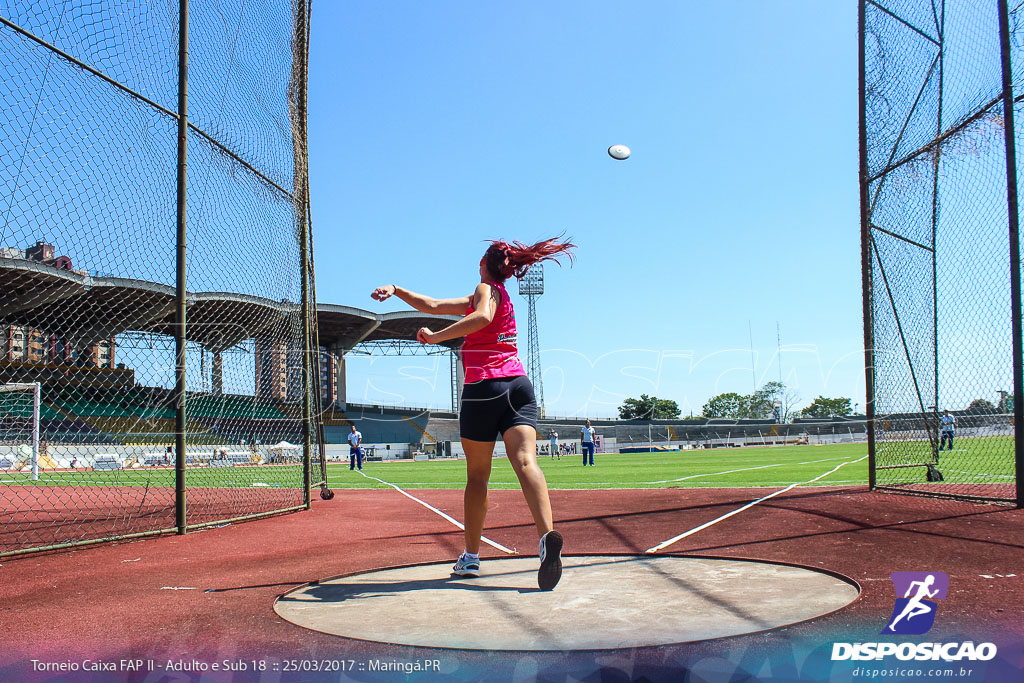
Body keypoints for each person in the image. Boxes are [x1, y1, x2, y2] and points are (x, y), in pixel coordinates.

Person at [371, 236, 574, 591]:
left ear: (485, 263)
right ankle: (546, 539)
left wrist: (436, 338)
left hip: (484, 389)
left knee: (478, 476)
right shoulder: (498, 295)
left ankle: (470, 558)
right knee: (526, 462)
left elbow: (481, 317)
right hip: (519, 386)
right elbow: (432, 304)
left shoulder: (484, 290)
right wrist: (397, 289)